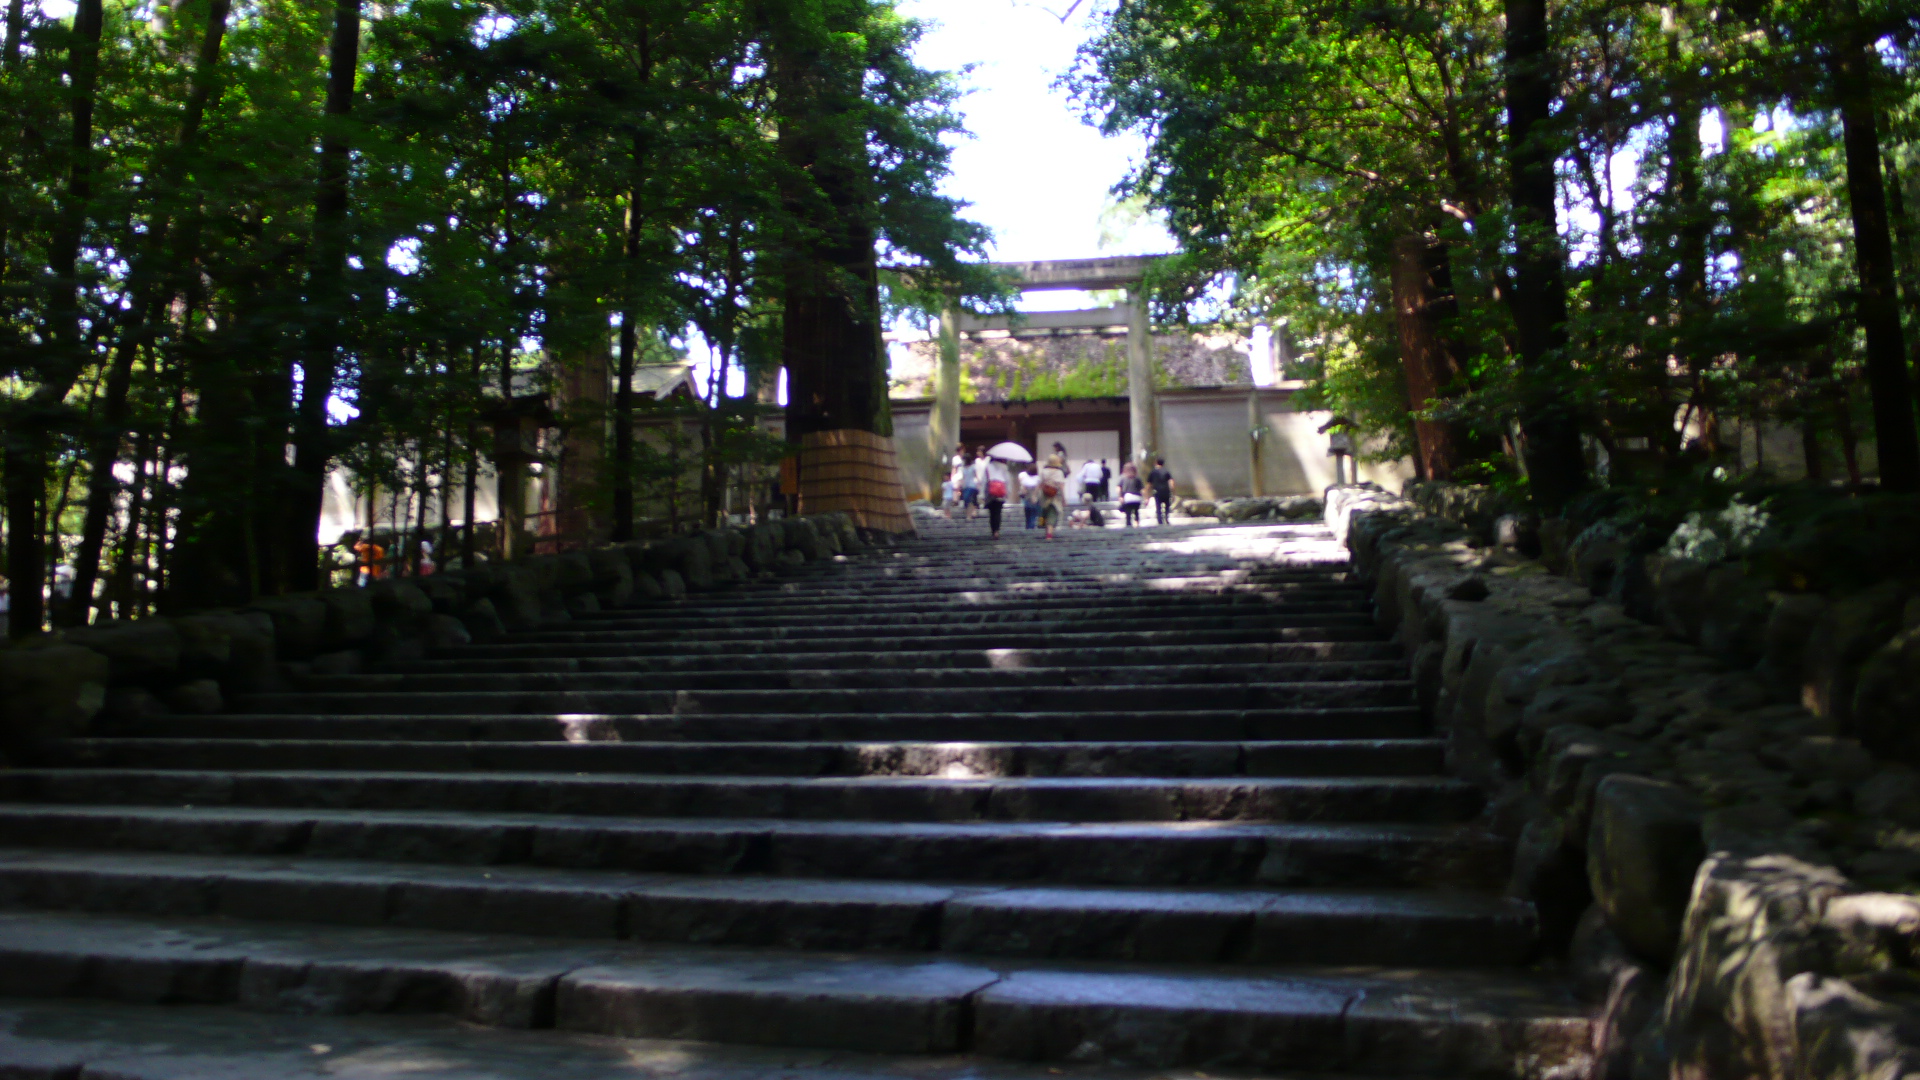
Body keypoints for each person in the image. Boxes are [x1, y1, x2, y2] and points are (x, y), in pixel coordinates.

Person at [1036, 451, 1069, 540]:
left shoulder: (1043, 471)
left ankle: (1044, 527)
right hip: (1055, 496)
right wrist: (1064, 499)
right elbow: (1061, 487)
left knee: (1044, 512)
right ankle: (1049, 533)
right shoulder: (1059, 472)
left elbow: (1039, 484)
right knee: (1053, 513)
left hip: (1044, 495)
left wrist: (1035, 495)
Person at [981, 454, 1014, 539]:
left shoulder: (988, 466)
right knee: (998, 512)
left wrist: (982, 493)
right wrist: (1008, 492)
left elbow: (984, 481)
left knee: (992, 512)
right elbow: (1008, 481)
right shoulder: (1004, 467)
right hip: (1001, 492)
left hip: (990, 492)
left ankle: (993, 530)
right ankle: (997, 531)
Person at [1146, 456, 1175, 524]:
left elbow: (1149, 485)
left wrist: (1147, 494)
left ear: (1156, 463)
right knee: (1167, 506)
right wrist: (1173, 493)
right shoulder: (1166, 471)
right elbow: (1172, 483)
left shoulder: (1153, 472)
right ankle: (1166, 518)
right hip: (1166, 491)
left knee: (1158, 506)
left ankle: (1160, 520)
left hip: (1157, 491)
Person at [1117, 462, 1145, 527]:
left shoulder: (1123, 478)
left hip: (1128, 497)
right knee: (1136, 512)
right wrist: (1145, 498)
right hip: (1137, 498)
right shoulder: (1137, 479)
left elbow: (1118, 488)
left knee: (1128, 513)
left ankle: (1129, 525)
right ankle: (1136, 523)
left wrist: (1120, 497)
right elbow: (1142, 490)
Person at [959, 447, 980, 520]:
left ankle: (969, 515)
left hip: (972, 485)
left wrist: (978, 483)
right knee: (966, 500)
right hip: (965, 485)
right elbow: (963, 477)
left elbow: (976, 475)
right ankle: (970, 513)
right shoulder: (963, 468)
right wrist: (961, 485)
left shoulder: (973, 467)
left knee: (969, 499)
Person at [1020, 462, 1042, 529]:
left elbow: (1023, 490)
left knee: (1027, 515)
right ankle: (1032, 527)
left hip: (1027, 499)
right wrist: (1034, 495)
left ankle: (1028, 527)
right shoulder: (1038, 479)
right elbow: (1038, 488)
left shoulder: (1025, 479)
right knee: (1033, 514)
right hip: (1035, 499)